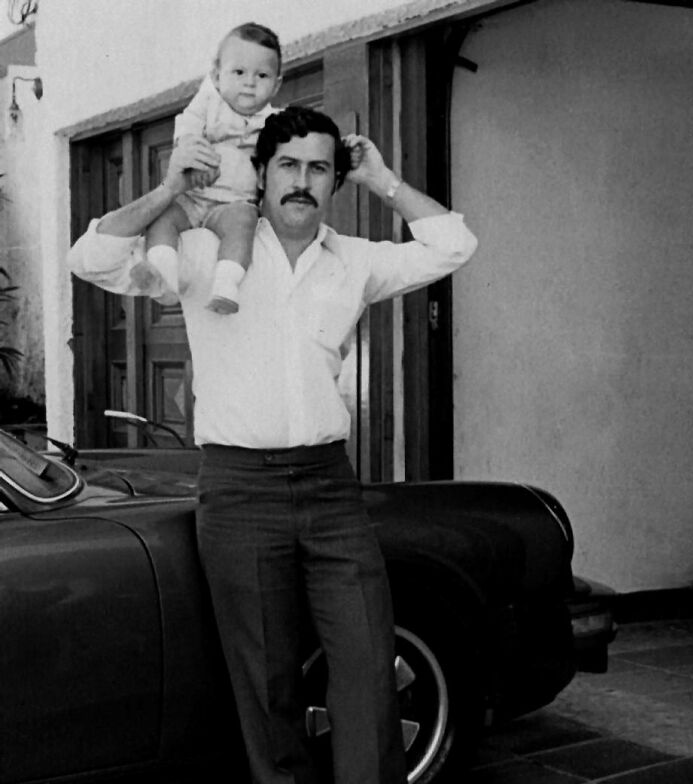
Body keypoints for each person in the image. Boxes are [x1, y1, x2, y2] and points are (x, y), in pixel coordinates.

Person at [68, 106, 478, 784]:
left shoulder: (354, 262)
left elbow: (452, 245)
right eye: (287, 164)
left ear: (333, 182)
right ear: (259, 173)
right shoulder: (205, 255)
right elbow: (92, 258)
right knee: (267, 686)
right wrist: (171, 188)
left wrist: (381, 178)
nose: (302, 181)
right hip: (239, 493)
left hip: (330, 491)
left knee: (368, 671)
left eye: (319, 168)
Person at [133, 22, 282, 314]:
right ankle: (163, 276)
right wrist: (190, 147)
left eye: (262, 75)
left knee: (243, 226)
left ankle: (226, 285)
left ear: (276, 84)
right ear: (216, 75)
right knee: (162, 218)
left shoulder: (274, 120)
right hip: (193, 196)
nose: (250, 83)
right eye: (238, 73)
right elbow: (188, 127)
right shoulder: (208, 101)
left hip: (234, 203)